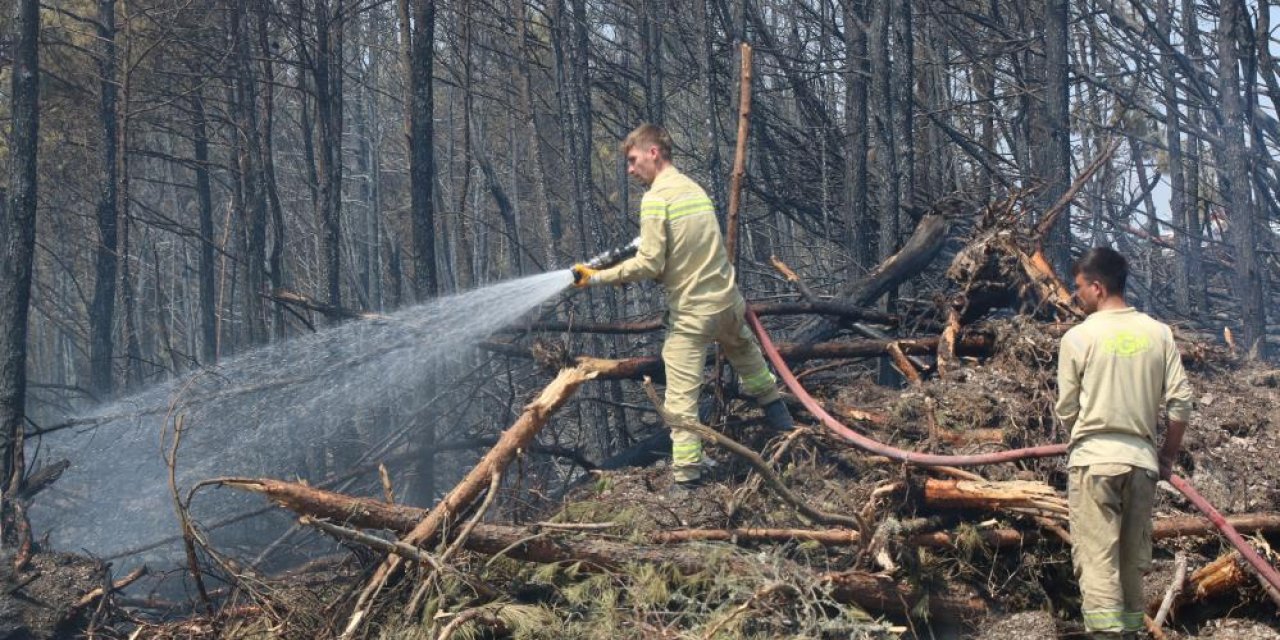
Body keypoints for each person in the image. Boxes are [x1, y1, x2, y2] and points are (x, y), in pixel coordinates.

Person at [572, 123, 794, 488]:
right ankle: (782, 421)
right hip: (728, 304)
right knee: (750, 361)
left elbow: (649, 264)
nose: (629, 170)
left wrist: (595, 277)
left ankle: (687, 477)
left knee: (680, 400)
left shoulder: (656, 198)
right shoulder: (694, 190)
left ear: (653, 153)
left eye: (632, 160)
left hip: (693, 314)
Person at [1055, 247, 1193, 639]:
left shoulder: (1078, 338)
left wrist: (1085, 436)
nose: (1075, 295)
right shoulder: (1158, 333)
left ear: (1097, 287)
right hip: (1142, 464)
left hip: (1094, 462)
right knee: (1132, 562)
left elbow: (1067, 409)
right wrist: (1166, 455)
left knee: (1098, 562)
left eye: (1079, 287)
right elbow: (1181, 403)